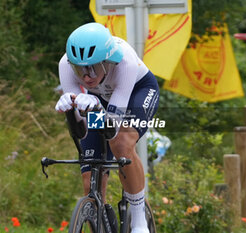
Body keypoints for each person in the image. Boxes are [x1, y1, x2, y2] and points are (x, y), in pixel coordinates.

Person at [55, 22, 159, 233]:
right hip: (99, 99)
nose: (86, 76)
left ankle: (139, 221)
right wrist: (71, 109)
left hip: (137, 92)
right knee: (90, 177)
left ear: (107, 60)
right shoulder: (65, 65)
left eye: (93, 67)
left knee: (121, 144)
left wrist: (95, 108)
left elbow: (113, 124)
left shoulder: (125, 62)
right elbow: (82, 129)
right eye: (80, 70)